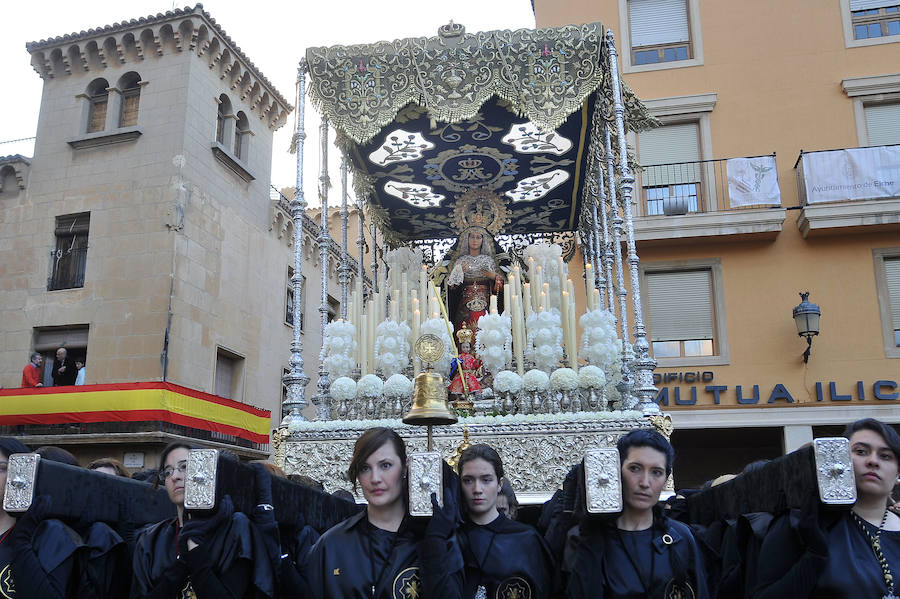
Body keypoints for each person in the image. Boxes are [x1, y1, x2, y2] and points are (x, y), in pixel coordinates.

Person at [302, 426, 463, 599]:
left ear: (404, 469)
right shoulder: (331, 545)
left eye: (385, 465)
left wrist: (434, 549)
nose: (375, 478)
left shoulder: (436, 540)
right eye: (365, 468)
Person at [752, 418, 900, 598]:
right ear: (838, 459)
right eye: (861, 451)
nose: (872, 461)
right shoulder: (801, 523)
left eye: (885, 456)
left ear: (898, 472)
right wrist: (814, 556)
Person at [564, 429, 709, 598]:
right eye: (635, 468)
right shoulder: (583, 538)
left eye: (656, 472)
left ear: (665, 479)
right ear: (617, 472)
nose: (645, 483)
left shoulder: (681, 538)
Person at [130, 442, 265, 598]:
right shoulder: (150, 539)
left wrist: (194, 550)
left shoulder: (236, 530)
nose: (175, 476)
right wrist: (181, 565)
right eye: (167, 472)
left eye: (185, 467)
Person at [455, 443, 556, 598]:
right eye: (468, 480)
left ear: (499, 484)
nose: (477, 489)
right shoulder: (452, 537)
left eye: (486, 480)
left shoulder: (526, 539)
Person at [447, 228, 504, 332]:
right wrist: (459, 273)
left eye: (478, 237)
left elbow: (501, 285)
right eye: (472, 237)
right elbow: (451, 287)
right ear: (467, 239)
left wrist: (493, 277)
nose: (475, 240)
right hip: (465, 304)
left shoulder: (488, 261)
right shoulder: (461, 261)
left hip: (485, 303)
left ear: (483, 240)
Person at [448, 325, 482, 399]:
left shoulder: (471, 357)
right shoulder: (459, 357)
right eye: (463, 347)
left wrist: (478, 361)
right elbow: (454, 366)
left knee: (471, 385)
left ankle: (470, 397)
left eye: (467, 347)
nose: (465, 349)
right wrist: (456, 362)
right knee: (458, 385)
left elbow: (475, 366)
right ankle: (459, 397)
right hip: (461, 374)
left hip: (469, 374)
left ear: (470, 348)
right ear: (461, 347)